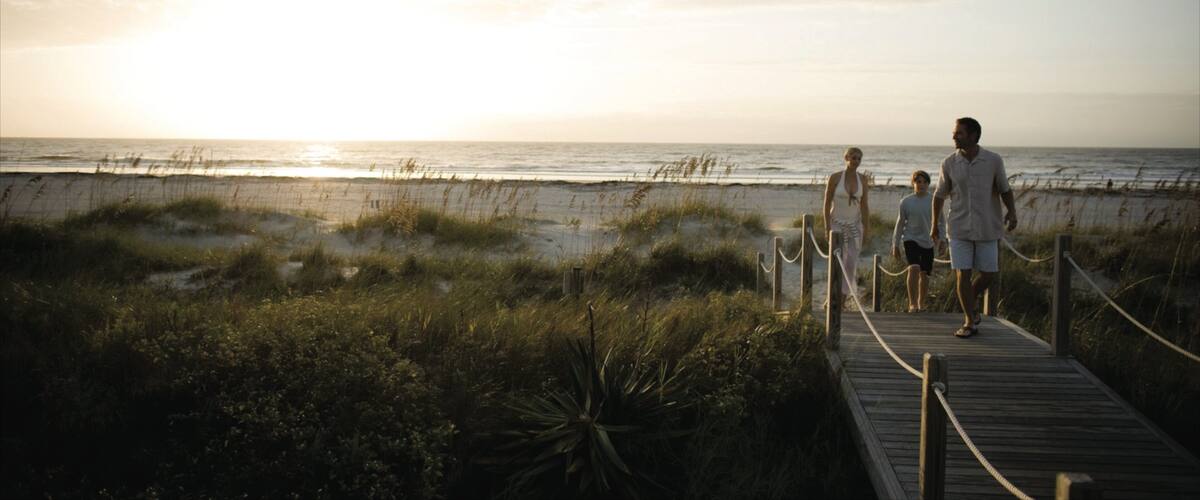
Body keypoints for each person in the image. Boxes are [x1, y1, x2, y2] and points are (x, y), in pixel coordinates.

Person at [931, 117, 1018, 338]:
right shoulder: (949, 163)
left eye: (959, 133)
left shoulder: (993, 160)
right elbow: (939, 195)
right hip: (959, 227)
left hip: (988, 226)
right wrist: (935, 225)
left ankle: (970, 300)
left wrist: (1012, 212)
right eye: (954, 132)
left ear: (973, 135)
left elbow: (1005, 189)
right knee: (962, 274)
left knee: (989, 274)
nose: (954, 136)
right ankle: (969, 320)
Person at [891, 170, 944, 313]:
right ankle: (912, 304)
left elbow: (941, 222)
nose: (921, 185)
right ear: (913, 183)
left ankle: (921, 303)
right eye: (918, 182)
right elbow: (900, 223)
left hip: (928, 241)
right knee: (914, 268)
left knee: (925, 274)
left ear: (928, 184)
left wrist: (943, 240)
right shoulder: (906, 202)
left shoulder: (934, 200)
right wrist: (895, 244)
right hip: (910, 239)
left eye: (924, 182)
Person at [823, 147, 870, 303]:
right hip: (836, 224)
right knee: (837, 262)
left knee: (850, 263)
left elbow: (864, 205)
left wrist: (867, 227)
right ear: (846, 158)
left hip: (855, 226)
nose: (856, 161)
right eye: (853, 157)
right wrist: (826, 226)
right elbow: (827, 202)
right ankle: (831, 298)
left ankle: (842, 299)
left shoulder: (863, 179)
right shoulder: (835, 178)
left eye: (859, 159)